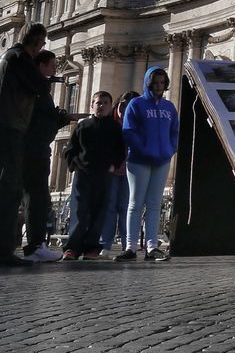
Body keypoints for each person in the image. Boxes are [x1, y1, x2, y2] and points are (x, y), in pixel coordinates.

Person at [116, 68, 178, 262]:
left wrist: (170, 150)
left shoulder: (169, 107)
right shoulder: (136, 104)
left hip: (162, 160)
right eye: (155, 83)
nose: (159, 86)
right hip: (139, 160)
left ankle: (152, 247)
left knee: (154, 204)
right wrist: (143, 149)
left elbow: (175, 132)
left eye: (162, 82)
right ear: (148, 83)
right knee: (135, 203)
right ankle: (130, 247)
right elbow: (129, 131)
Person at [0, 22, 49, 267]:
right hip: (11, 127)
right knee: (10, 190)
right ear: (37, 42)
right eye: (42, 44)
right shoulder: (19, 58)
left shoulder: (8, 57)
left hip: (7, 126)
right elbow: (40, 85)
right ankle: (4, 250)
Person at [21, 50, 72, 261]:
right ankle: (35, 246)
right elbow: (39, 120)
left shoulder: (33, 88)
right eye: (52, 65)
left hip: (33, 147)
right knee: (36, 198)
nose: (55, 69)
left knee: (34, 198)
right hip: (34, 148)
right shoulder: (36, 89)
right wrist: (61, 117)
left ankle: (36, 244)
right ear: (41, 65)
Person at [62, 91, 125, 260]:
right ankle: (72, 248)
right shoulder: (83, 126)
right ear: (92, 105)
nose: (102, 106)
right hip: (83, 174)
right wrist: (74, 164)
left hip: (104, 174)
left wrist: (114, 165)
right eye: (98, 103)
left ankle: (92, 247)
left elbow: (120, 150)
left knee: (99, 211)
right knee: (79, 212)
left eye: (105, 103)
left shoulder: (115, 127)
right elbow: (70, 149)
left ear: (110, 106)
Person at [99, 90, 138, 256]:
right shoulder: (110, 122)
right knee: (109, 206)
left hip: (130, 167)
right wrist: (113, 165)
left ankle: (126, 244)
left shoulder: (137, 121)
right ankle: (105, 244)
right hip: (111, 168)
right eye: (124, 106)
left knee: (125, 207)